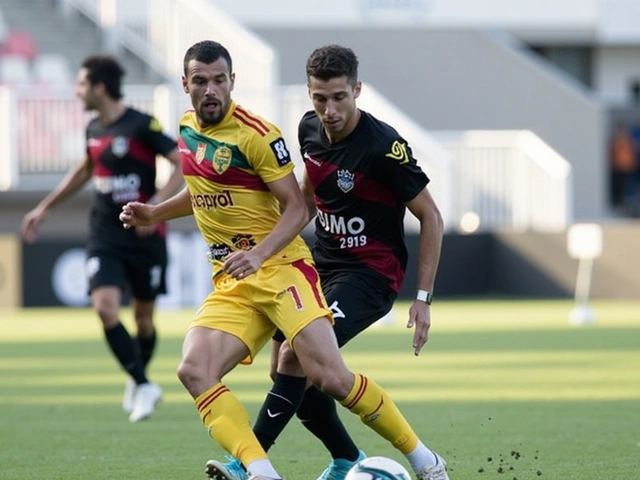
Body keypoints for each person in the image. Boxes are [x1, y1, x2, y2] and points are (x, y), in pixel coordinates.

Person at [119, 40, 449, 480]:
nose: (329, 110)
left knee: (307, 365)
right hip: (298, 266)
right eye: (320, 98)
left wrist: (423, 297)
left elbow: (430, 215)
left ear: (357, 91)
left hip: (366, 271)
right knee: (241, 370)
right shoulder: (305, 130)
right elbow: (301, 199)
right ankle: (321, 463)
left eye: (339, 98)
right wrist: (157, 211)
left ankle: (424, 461)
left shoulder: (381, 146)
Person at [21, 54, 183, 422]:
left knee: (144, 320)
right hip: (105, 234)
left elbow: (181, 163)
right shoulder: (93, 130)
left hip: (144, 234)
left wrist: (156, 205)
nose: (76, 92)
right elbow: (85, 168)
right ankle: (143, 383)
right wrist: (45, 206)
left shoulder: (142, 125)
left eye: (81, 85)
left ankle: (136, 376)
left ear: (99, 87)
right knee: (105, 306)